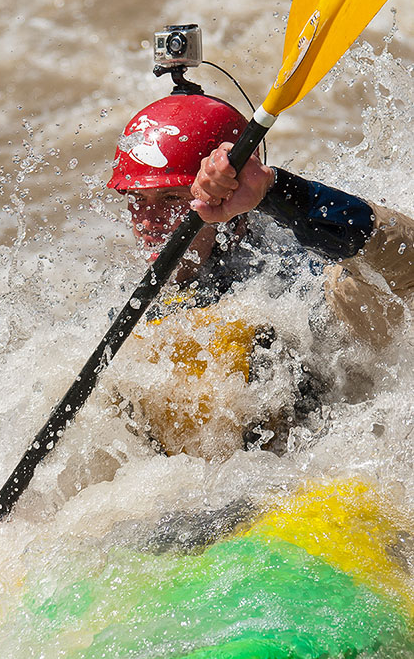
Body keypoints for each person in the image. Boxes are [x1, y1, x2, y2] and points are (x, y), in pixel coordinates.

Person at [107, 91, 414, 458]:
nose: (147, 222)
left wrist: (275, 192)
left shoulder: (300, 284)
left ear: (233, 205)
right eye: (137, 199)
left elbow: (404, 262)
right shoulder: (125, 310)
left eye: (172, 199)